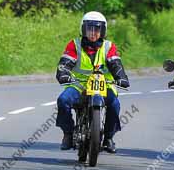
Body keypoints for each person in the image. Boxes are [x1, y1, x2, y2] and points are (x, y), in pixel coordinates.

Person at [55, 10, 130, 153]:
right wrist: (63, 74)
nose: (93, 32)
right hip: (79, 85)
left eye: (97, 29)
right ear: (83, 29)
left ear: (103, 31)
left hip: (103, 86)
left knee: (114, 104)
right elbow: (64, 64)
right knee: (63, 100)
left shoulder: (108, 46)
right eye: (90, 28)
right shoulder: (74, 45)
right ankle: (68, 134)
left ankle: (108, 138)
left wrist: (122, 78)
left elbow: (116, 64)